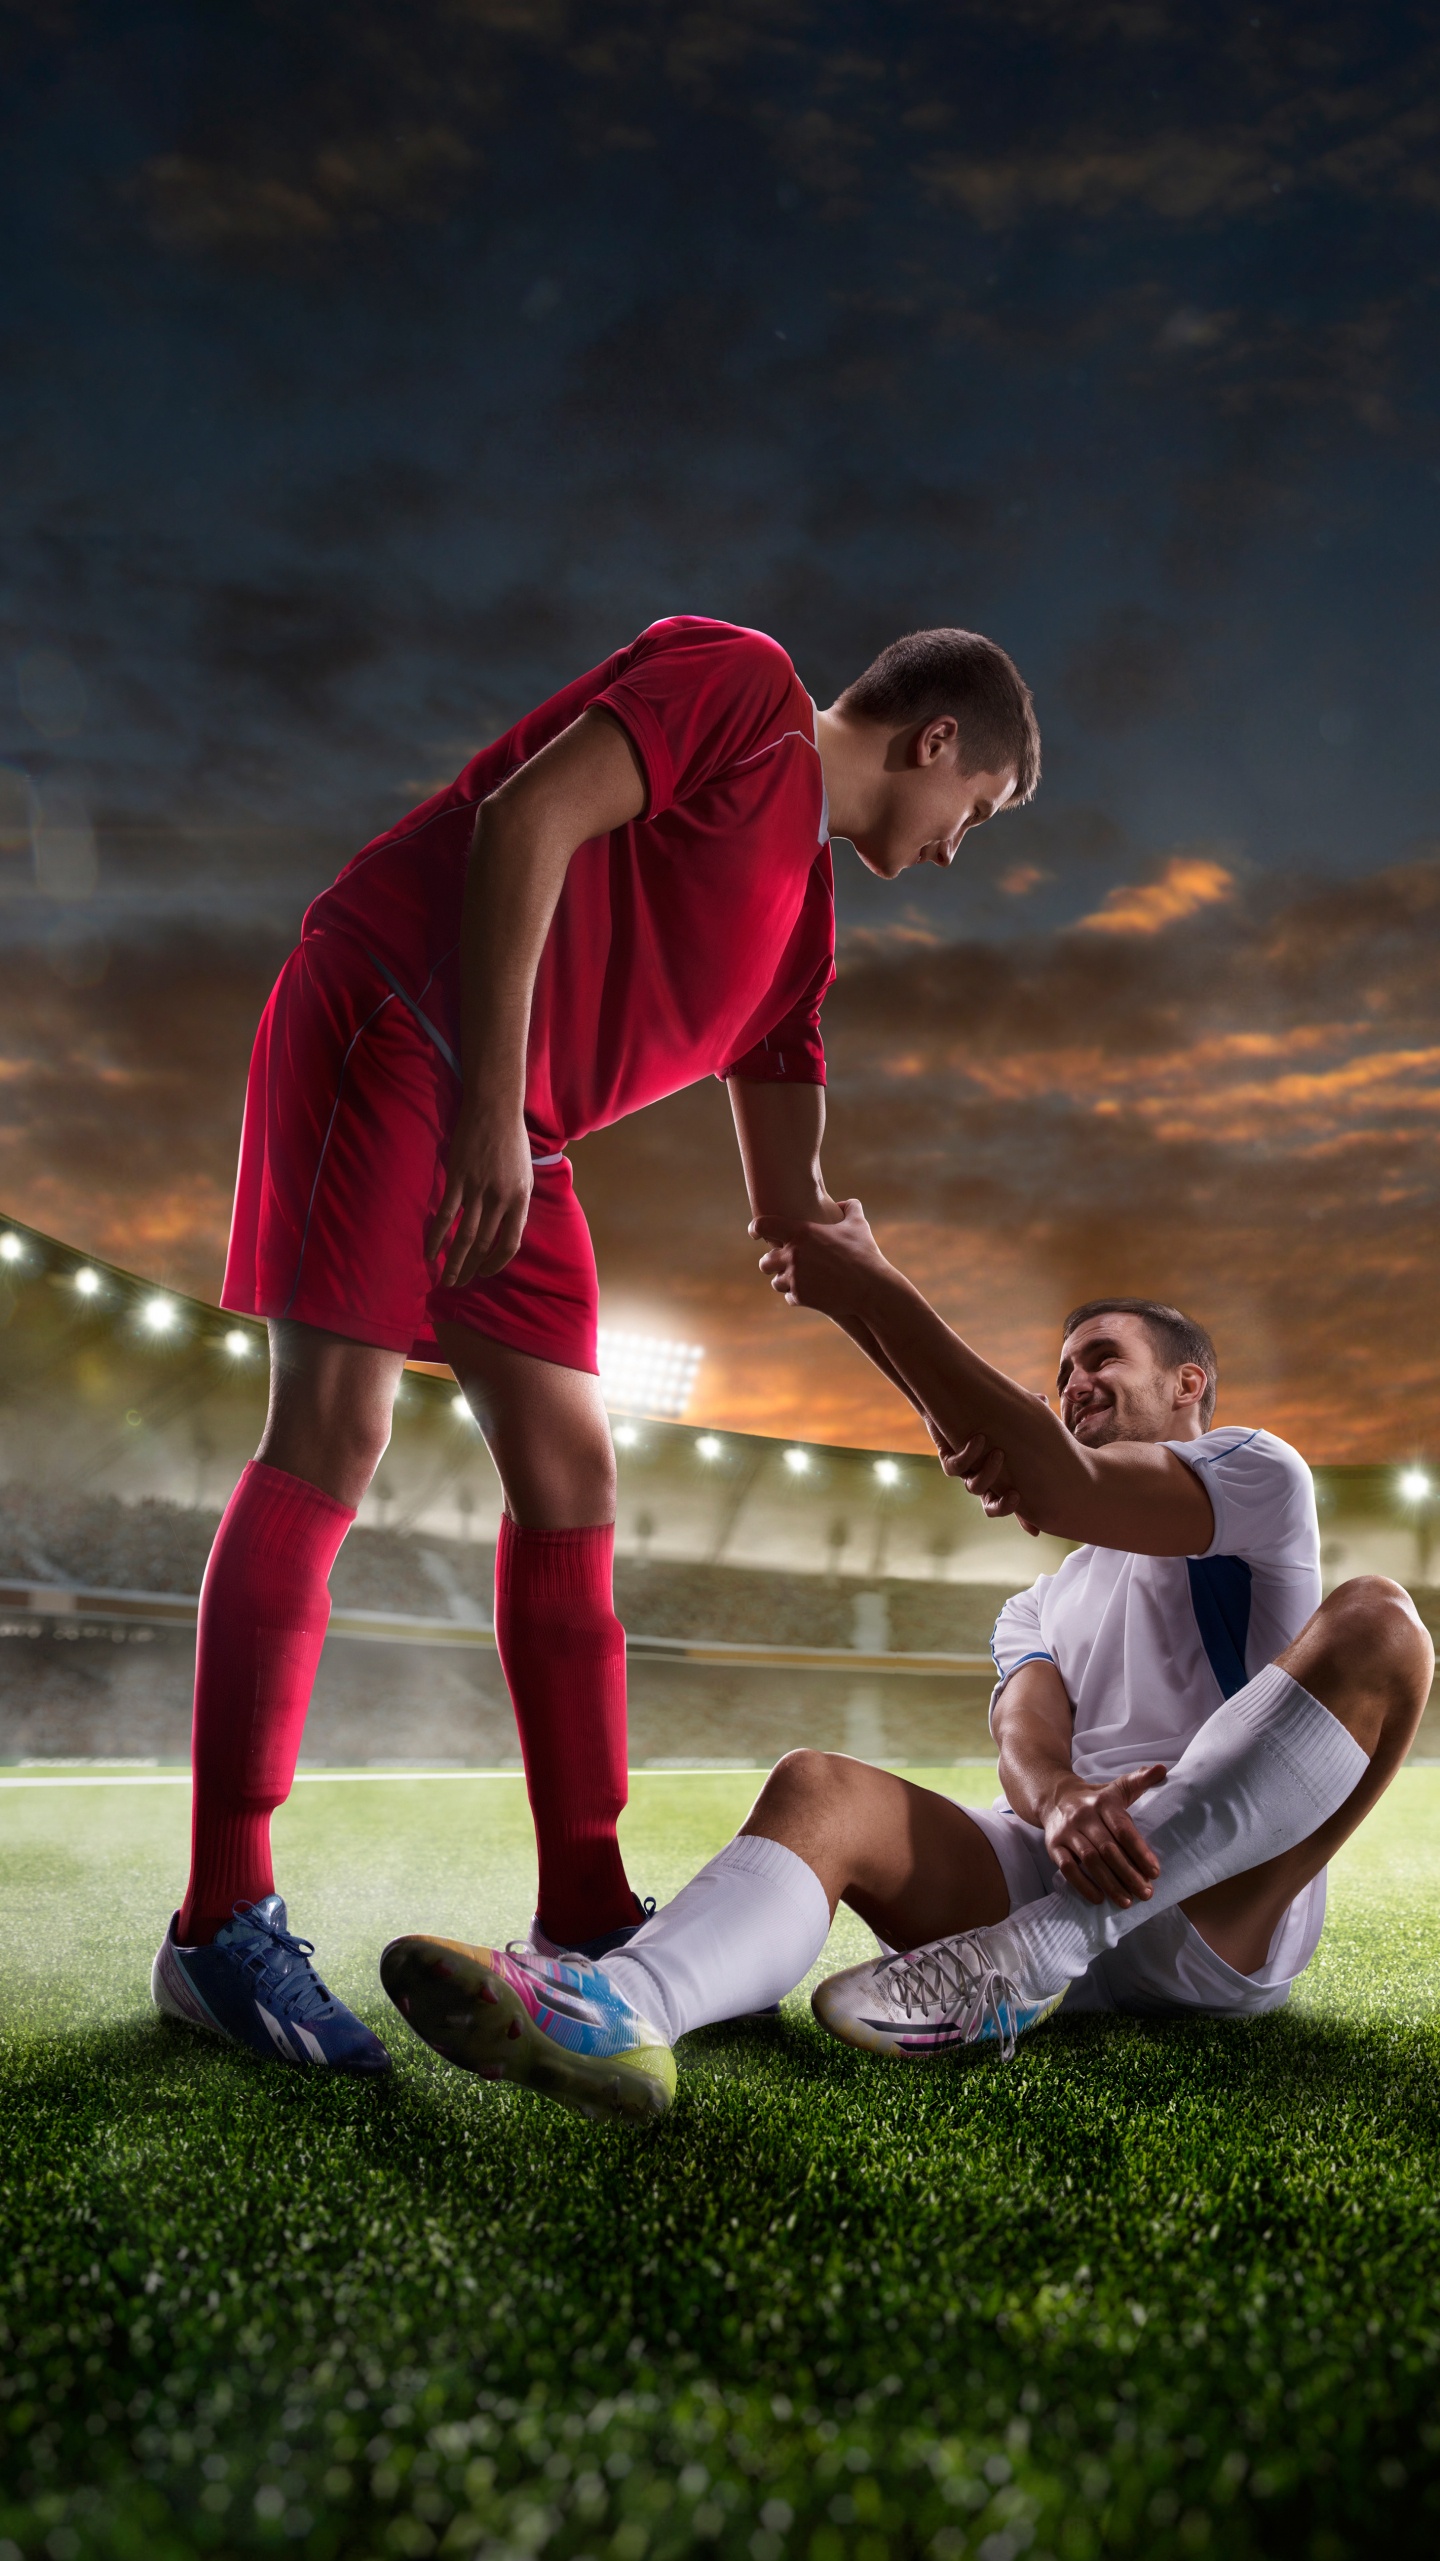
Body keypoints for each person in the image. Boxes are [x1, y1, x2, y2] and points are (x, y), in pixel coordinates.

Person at [152, 621, 1040, 2072]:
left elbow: (798, 1221)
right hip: (400, 1014)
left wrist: (950, 1395)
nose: (957, 848)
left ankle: (581, 1909)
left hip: (522, 1127)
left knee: (573, 1470)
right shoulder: (745, 690)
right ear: (936, 740)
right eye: (979, 813)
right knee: (334, 1431)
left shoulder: (803, 931)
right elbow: (526, 817)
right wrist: (495, 1105)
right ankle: (215, 1925)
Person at [378, 1231, 1431, 2120]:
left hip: (1211, 1915)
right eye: (1062, 1374)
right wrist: (1059, 1800)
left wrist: (869, 1287)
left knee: (1384, 1622)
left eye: (1100, 1357)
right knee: (818, 1785)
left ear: (1188, 1382)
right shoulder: (1042, 1598)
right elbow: (1028, 1726)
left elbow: (1057, 1481)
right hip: (1057, 1868)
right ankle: (627, 2004)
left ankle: (1042, 1950)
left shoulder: (1259, 1478)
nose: (1074, 1384)